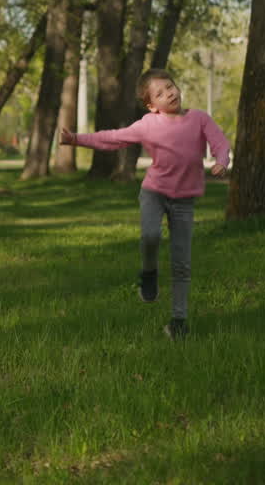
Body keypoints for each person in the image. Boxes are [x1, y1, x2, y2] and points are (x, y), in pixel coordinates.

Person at [59, 68, 230, 341]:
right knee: (150, 236)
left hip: (185, 200)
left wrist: (222, 161)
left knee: (182, 263)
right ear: (152, 105)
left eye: (170, 86)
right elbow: (113, 138)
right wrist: (76, 139)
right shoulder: (148, 124)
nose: (170, 93)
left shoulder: (199, 118)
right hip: (154, 193)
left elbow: (220, 143)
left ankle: (179, 321)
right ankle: (149, 271)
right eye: (160, 93)